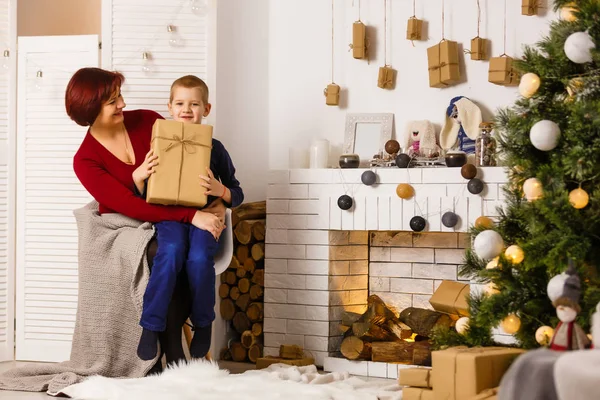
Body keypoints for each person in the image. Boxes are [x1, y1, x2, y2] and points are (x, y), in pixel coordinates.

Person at [69, 67, 229, 368]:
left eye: (120, 96)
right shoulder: (85, 160)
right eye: (112, 101)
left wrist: (218, 202)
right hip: (126, 221)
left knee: (179, 253)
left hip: (169, 216)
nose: (122, 104)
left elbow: (186, 173)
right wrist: (192, 216)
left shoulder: (147, 120)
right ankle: (171, 347)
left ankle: (172, 345)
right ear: (90, 110)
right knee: (161, 253)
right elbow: (130, 205)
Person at [134, 75, 243, 360]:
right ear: (169, 107)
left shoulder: (215, 148)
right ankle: (150, 325)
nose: (187, 109)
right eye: (180, 103)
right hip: (170, 219)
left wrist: (221, 190)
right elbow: (142, 196)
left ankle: (204, 323)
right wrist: (140, 177)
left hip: (206, 219)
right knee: (169, 253)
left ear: (206, 109)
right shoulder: (157, 144)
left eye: (194, 104)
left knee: (197, 259)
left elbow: (237, 193)